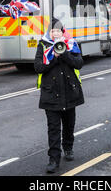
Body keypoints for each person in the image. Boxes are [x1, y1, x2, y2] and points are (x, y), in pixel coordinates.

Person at [34, 18, 84, 174]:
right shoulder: (43, 46)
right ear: (50, 33)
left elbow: (79, 63)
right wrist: (53, 57)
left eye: (58, 31)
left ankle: (68, 148)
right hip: (51, 94)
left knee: (69, 125)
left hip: (70, 92)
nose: (55, 34)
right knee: (53, 128)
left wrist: (64, 54)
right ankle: (54, 159)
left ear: (62, 32)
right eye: (53, 31)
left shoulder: (71, 44)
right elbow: (38, 67)